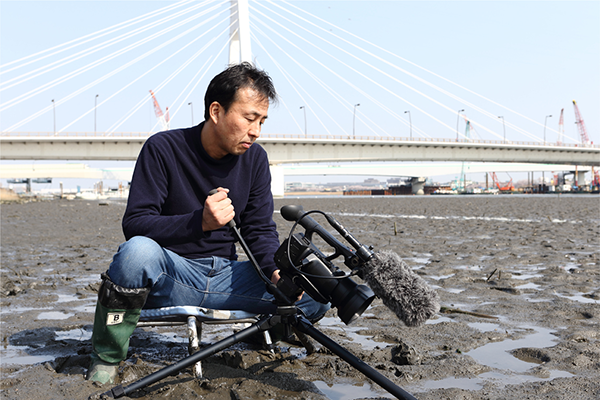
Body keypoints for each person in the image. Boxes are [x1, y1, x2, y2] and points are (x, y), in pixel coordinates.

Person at [87, 62, 330, 384]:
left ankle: (258, 336)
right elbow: (136, 223)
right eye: (248, 118)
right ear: (216, 111)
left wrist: (276, 269)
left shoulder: (255, 159)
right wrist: (199, 221)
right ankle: (106, 357)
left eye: (262, 121)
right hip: (171, 276)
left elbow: (258, 229)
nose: (256, 131)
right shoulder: (163, 148)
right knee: (136, 252)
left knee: (317, 287)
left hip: (228, 279)